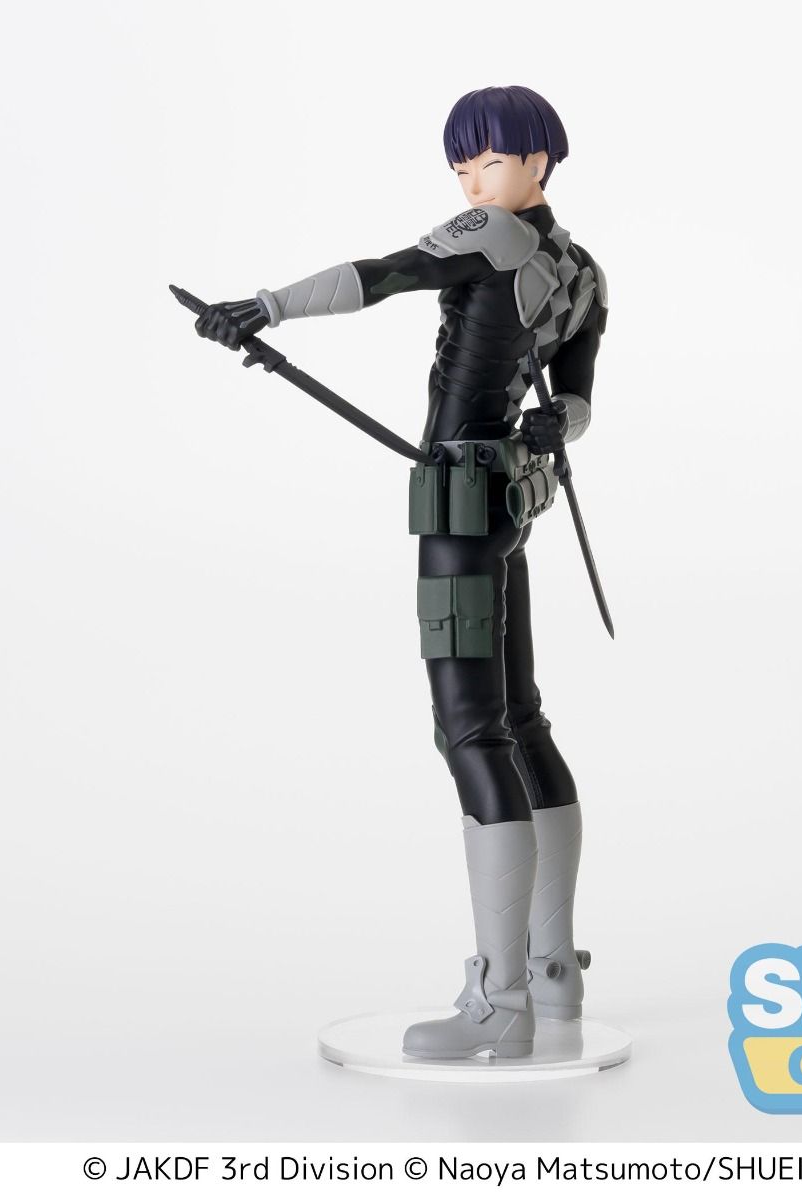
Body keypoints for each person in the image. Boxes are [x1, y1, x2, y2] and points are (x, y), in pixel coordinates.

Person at [195, 85, 607, 1059]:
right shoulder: (583, 270)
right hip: (513, 491)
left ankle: (500, 1000)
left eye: (489, 161)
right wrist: (558, 424)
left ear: (539, 160)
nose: (473, 183)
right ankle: (553, 975)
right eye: (461, 167)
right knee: (521, 721)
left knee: (471, 730)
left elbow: (382, 275)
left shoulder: (494, 237)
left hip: (463, 500)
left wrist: (267, 306)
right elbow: (578, 401)